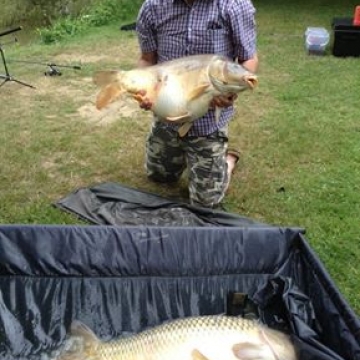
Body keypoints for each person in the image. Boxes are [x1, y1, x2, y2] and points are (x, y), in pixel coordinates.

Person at [135, 0, 258, 208]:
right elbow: (147, 60)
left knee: (206, 203)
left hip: (208, 122)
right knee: (159, 177)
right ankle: (180, 154)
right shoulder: (153, 6)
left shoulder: (234, 5)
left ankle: (227, 162)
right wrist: (144, 88)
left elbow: (248, 59)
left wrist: (229, 91)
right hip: (168, 117)